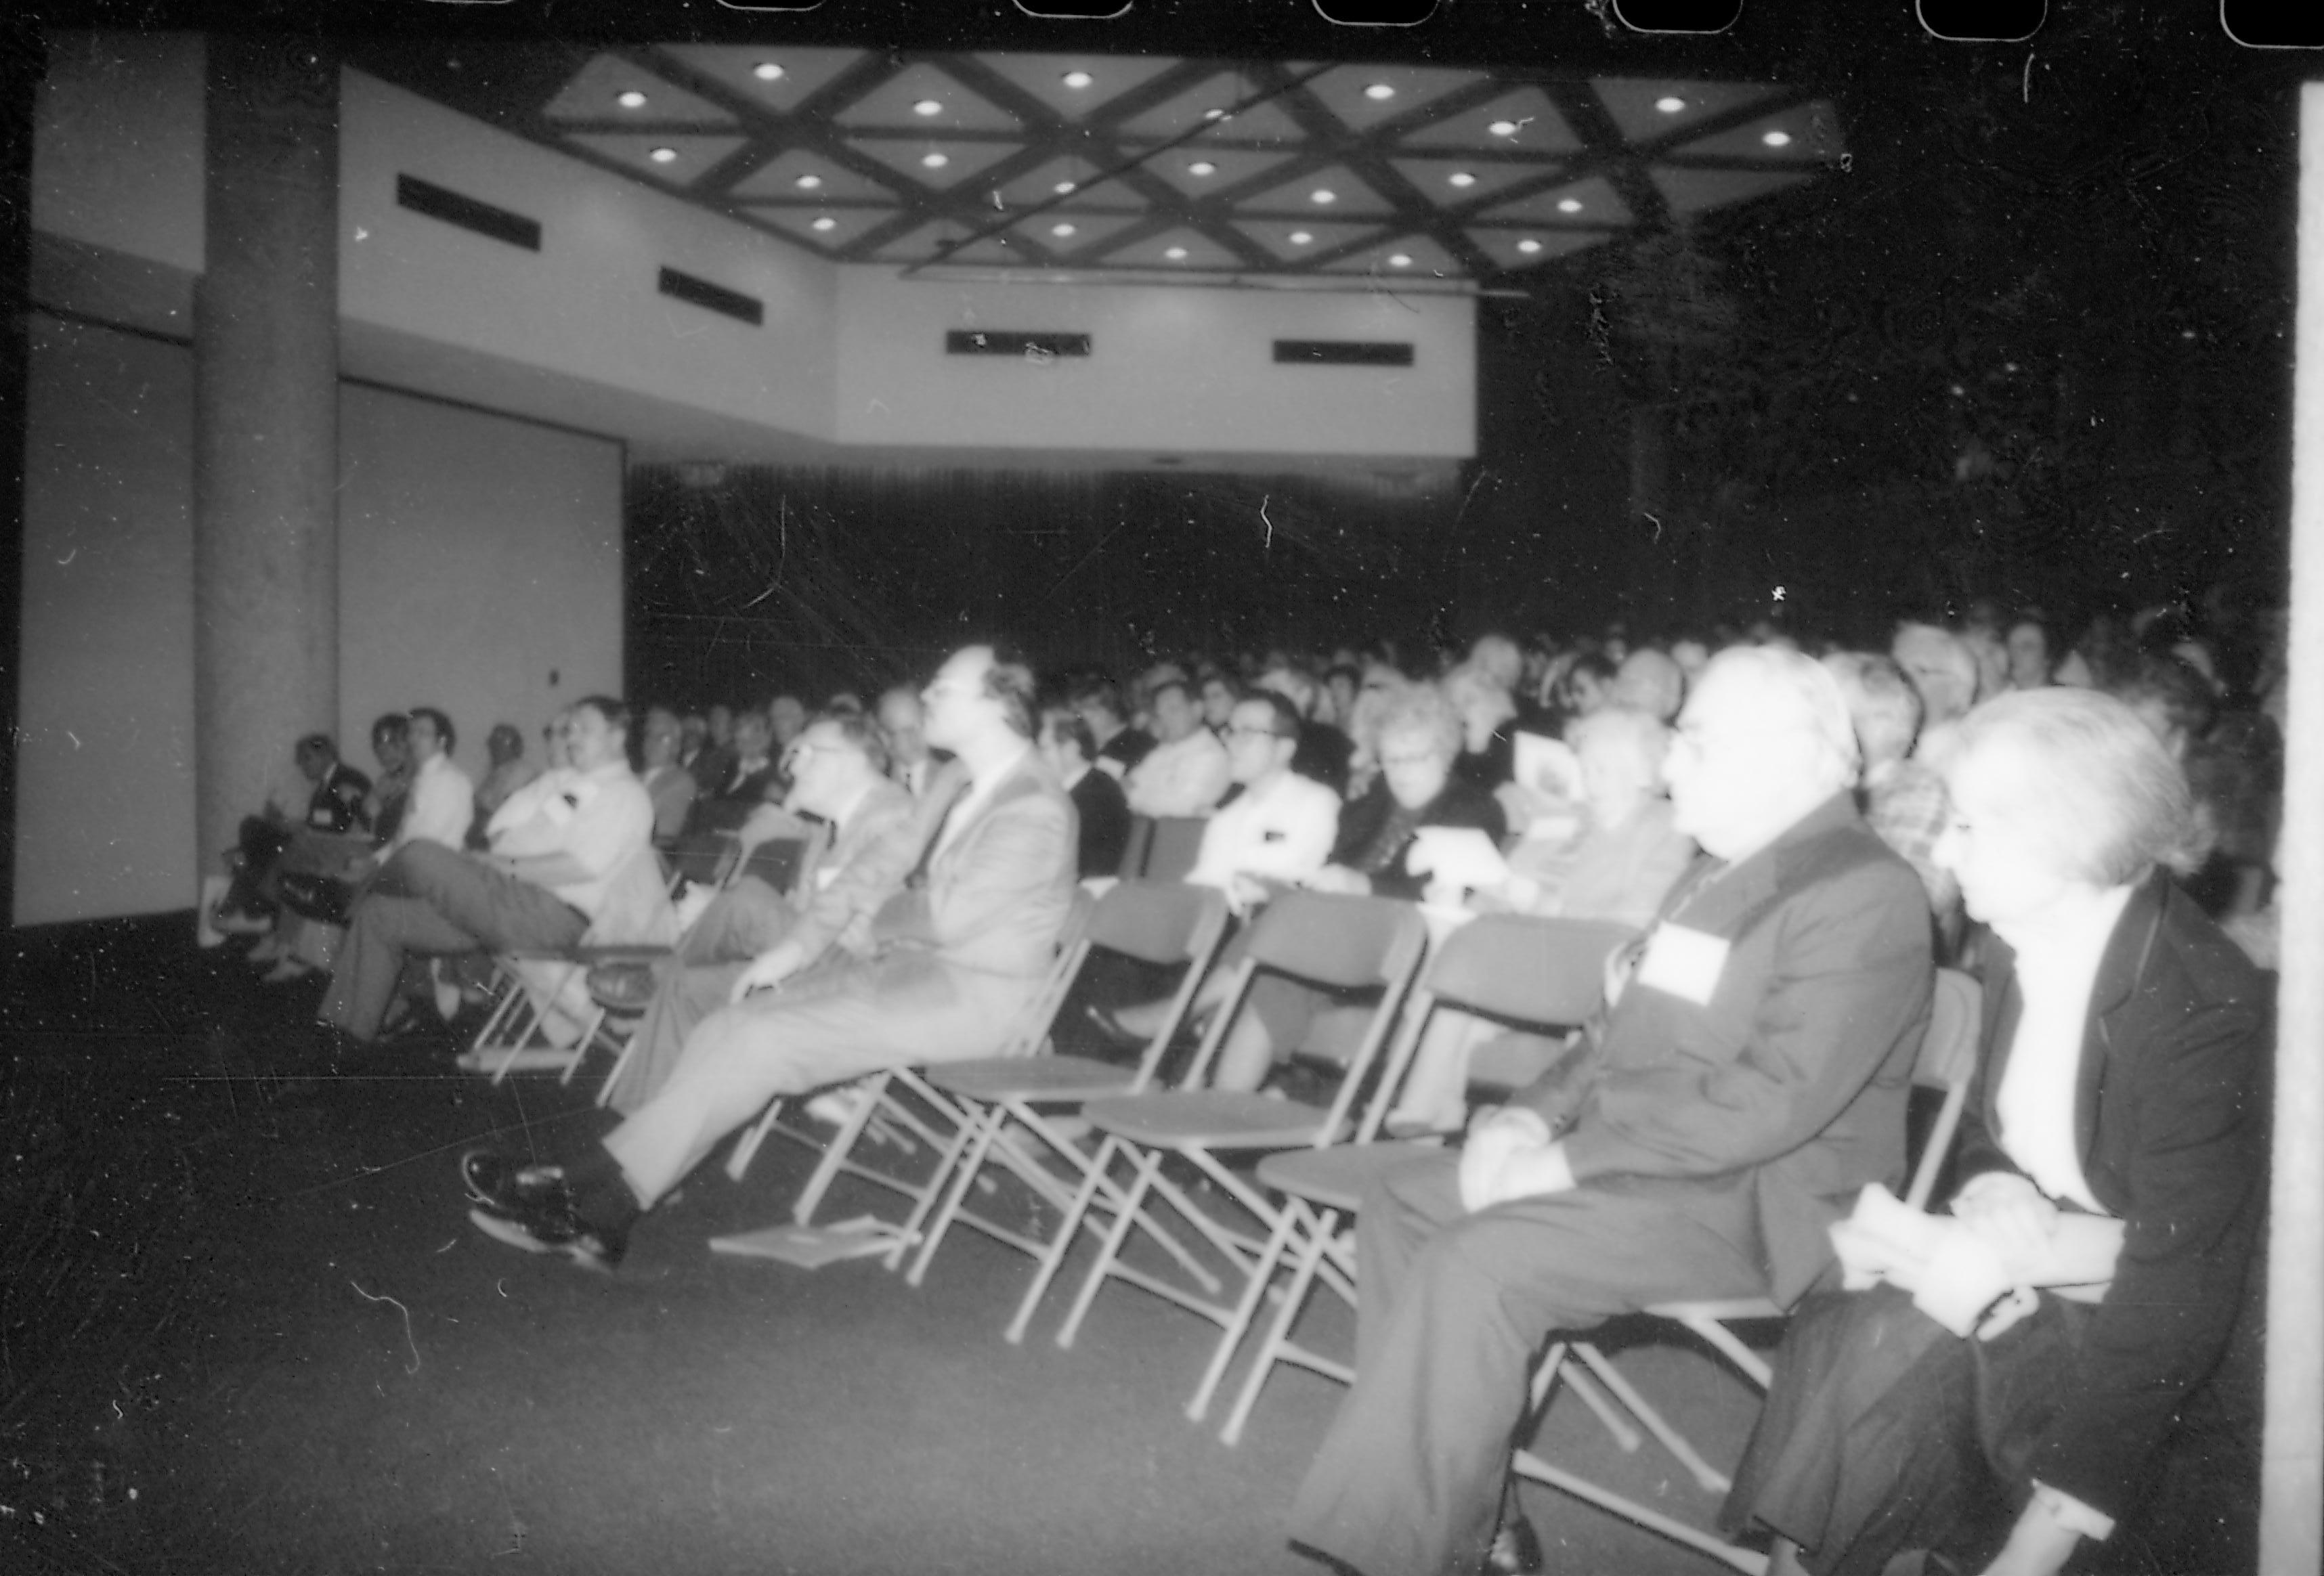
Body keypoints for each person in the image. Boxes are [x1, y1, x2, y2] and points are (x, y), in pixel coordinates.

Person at [1285, 647, 1935, 1576]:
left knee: (1482, 1256)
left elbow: (1769, 1104)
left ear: (1786, 756)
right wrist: (1523, 1121)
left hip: (1755, 1202)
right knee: (1407, 1203)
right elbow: (1607, 1034)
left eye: (1695, 742)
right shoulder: (1716, 870)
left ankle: (1407, 1557)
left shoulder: (1861, 887)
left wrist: (1565, 1164)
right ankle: (1470, 1517)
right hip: (1649, 1169)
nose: (1671, 767)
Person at [1721, 687, 2267, 1576]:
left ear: (2071, 833)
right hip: (2040, 1297)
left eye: (1971, 826)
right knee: (1854, 1328)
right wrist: (1996, 1182)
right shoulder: (2022, 934)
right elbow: (1985, 1124)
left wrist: (2042, 1543)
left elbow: (2182, 1295)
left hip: (2157, 1389)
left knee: (1878, 1348)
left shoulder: (2201, 1008)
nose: (1943, 849)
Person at [461, 645, 1079, 1271]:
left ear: (997, 704)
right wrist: (796, 947)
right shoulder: (955, 778)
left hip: (978, 1003)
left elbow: (946, 919)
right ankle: (598, 1202)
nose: (927, 699)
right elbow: (881, 865)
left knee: (766, 1039)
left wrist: (878, 913)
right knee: (733, 1022)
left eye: (943, 690)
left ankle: (588, 1199)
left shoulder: (1035, 806)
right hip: (913, 975)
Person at [595, 711, 916, 1114]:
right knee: (686, 987)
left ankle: (652, 977)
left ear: (850, 760)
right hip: (811, 963)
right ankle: (632, 1132)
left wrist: (728, 910)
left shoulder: (895, 816)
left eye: (804, 752)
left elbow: (867, 929)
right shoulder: (822, 832)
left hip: (864, 973)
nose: (791, 765)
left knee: (748, 897)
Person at [317, 697, 655, 1044]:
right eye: (570, 729)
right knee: (380, 915)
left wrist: (497, 864)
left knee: (419, 854)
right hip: (505, 901)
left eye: (584, 730)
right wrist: (489, 860)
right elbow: (514, 835)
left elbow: (579, 866)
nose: (571, 738)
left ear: (617, 737)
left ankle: (340, 900)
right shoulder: (574, 788)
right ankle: (342, 1043)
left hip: (548, 914)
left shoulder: (625, 795)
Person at [1037, 706, 1132, 879]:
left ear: (1071, 749)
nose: (1038, 759)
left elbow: (1081, 864)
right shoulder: (1064, 791)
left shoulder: (1100, 793)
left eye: (1044, 749)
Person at [1123, 678, 1232, 818]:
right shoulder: (1162, 751)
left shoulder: (1211, 755)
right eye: (1160, 714)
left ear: (1197, 709)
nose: (1165, 719)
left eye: (1173, 710)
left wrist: (1133, 795)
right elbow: (1129, 784)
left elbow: (1181, 806)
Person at [468, 722, 540, 848]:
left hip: (500, 841)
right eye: (494, 742)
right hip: (477, 838)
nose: (496, 747)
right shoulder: (491, 772)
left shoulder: (521, 771)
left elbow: (507, 810)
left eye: (502, 741)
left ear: (516, 747)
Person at [637, 705, 699, 842]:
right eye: (649, 734)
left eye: (661, 737)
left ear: (677, 746)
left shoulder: (680, 782)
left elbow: (665, 836)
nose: (652, 742)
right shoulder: (632, 778)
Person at [876, 684, 939, 800]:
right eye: (906, 731)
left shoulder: (949, 777)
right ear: (886, 738)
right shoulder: (879, 784)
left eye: (920, 726)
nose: (914, 737)